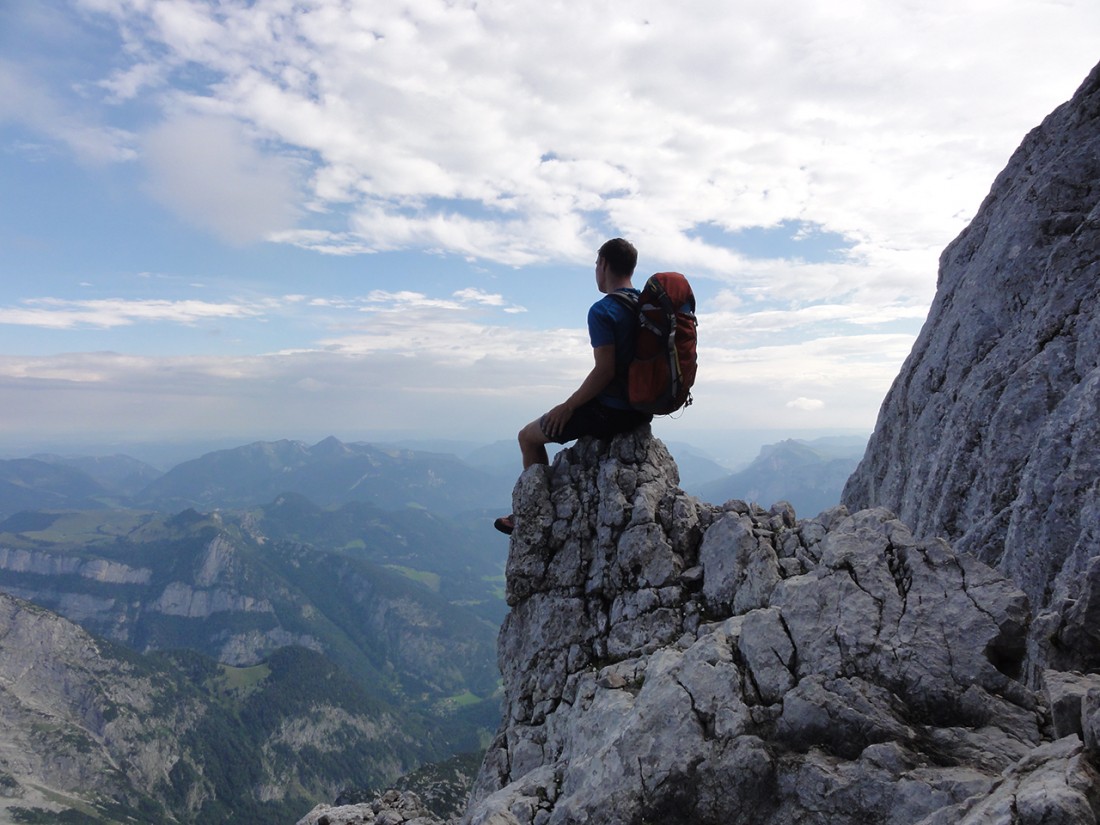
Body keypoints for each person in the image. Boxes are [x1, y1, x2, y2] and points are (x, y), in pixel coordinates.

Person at [494, 238, 653, 534]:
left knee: (527, 437)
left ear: (603, 264)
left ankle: (531, 513)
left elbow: (605, 371)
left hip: (612, 412)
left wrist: (566, 408)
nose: (596, 270)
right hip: (641, 411)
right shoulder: (645, 306)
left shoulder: (603, 310)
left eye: (596, 264)